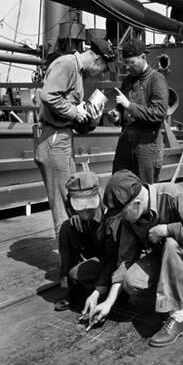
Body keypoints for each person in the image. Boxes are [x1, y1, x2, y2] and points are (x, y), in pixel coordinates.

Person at [88, 169, 183, 347]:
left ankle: (177, 317)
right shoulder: (131, 219)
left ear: (137, 203)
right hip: (166, 260)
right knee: (131, 281)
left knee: (172, 244)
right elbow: (125, 261)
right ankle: (176, 287)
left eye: (122, 213)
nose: (121, 218)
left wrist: (167, 230)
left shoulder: (173, 195)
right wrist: (108, 303)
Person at [34, 39, 116, 239]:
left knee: (70, 196)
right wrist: (74, 112)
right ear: (97, 59)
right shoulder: (68, 64)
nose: (101, 74)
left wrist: (89, 115)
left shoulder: (76, 71)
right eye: (103, 69)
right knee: (63, 202)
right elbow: (49, 95)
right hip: (53, 138)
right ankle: (68, 259)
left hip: (61, 137)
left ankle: (70, 251)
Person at [54, 171, 119, 315]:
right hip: (92, 254)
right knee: (66, 228)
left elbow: (114, 257)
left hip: (111, 259)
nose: (85, 210)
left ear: (98, 195)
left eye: (89, 204)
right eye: (79, 205)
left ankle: (107, 291)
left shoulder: (111, 215)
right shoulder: (75, 212)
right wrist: (74, 215)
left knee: (77, 274)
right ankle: (72, 289)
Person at [108, 38, 169, 183]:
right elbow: (123, 112)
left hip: (147, 146)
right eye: (125, 64)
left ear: (143, 57)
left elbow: (159, 113)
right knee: (118, 184)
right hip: (126, 143)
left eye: (131, 63)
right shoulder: (127, 81)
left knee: (144, 192)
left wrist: (129, 106)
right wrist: (117, 117)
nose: (127, 68)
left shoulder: (156, 79)